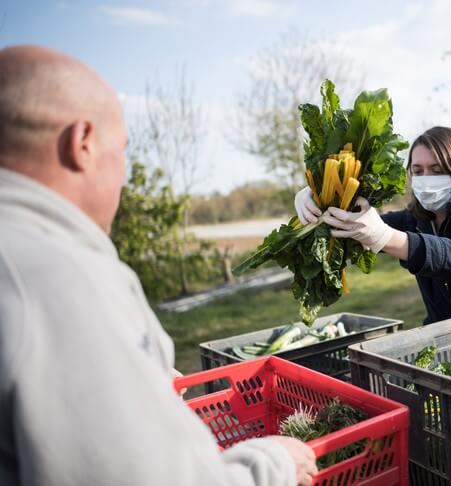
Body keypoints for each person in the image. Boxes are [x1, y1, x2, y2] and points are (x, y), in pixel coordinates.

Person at [0, 45, 317, 486]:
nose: (123, 175)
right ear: (83, 143)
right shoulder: (58, 278)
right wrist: (274, 463)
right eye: (122, 150)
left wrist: (128, 366)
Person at [295, 126, 451, 324]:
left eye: (437, 170)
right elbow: (357, 226)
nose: (426, 179)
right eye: (418, 170)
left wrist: (388, 238)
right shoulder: (415, 218)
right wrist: (318, 197)